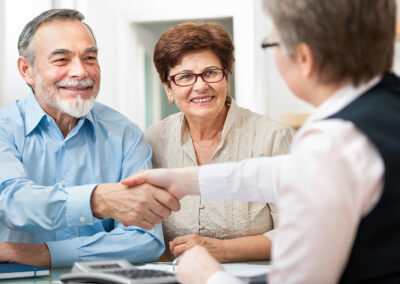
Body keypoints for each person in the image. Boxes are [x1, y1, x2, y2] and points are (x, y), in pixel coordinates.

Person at [122, 0, 400, 283]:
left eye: (271, 44)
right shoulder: (386, 107)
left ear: (303, 58)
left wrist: (207, 277)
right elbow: (280, 172)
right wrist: (186, 181)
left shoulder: (329, 143)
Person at [0, 9, 180, 268]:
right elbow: (14, 203)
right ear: (26, 69)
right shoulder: (4, 130)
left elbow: (145, 239)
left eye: (90, 57)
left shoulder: (124, 134)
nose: (80, 71)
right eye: (62, 59)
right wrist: (98, 199)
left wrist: (46, 253)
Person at [146, 22, 292, 262]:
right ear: (168, 89)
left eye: (211, 73)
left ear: (227, 79)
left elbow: (296, 232)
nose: (201, 85)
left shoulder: (273, 138)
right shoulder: (152, 142)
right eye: (185, 77)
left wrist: (223, 251)